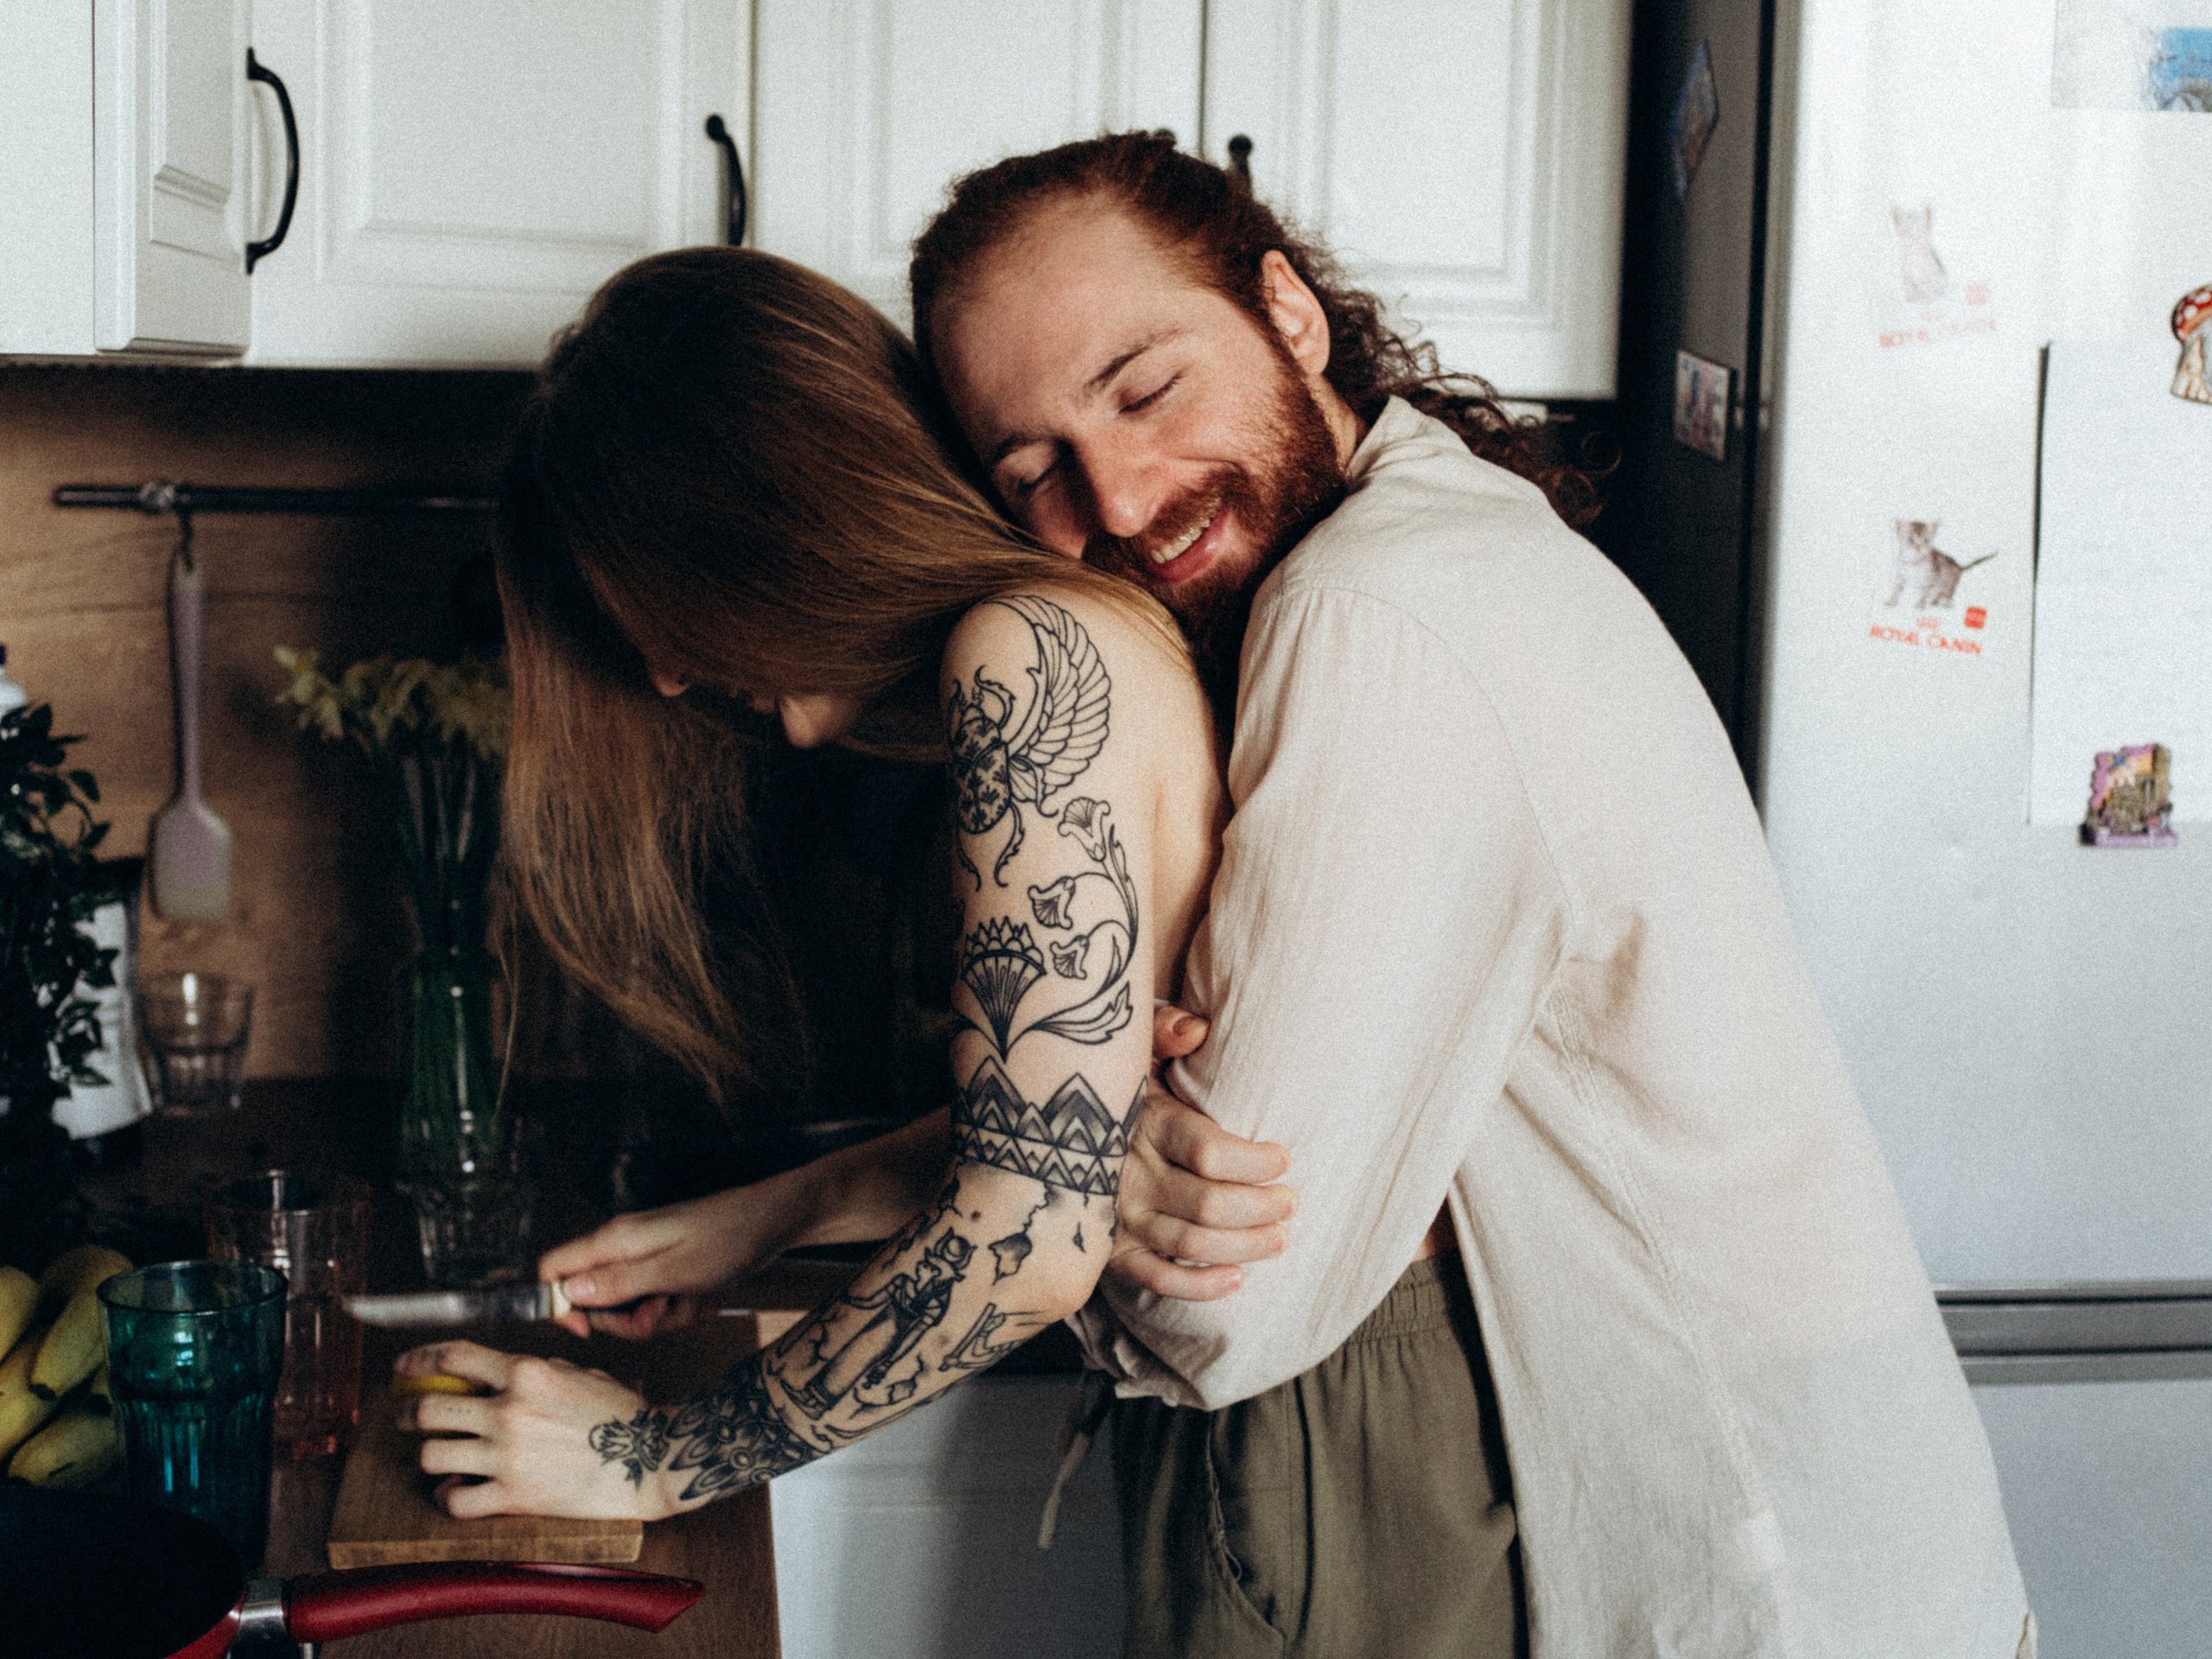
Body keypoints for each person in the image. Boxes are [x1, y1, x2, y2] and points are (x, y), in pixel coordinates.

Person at [896, 132, 2033, 1659]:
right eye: (1029, 467)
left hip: (1770, 1586)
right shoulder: (1446, 533)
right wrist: (1095, 1141)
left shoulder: (1375, 613)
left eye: (1144, 387)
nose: (1114, 495)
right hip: (1863, 1549)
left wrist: (1075, 1169)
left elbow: (1220, 1311)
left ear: (1286, 314)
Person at [390, 245, 1274, 1522]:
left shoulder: (1026, 655)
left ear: (766, 522)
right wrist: (773, 1214)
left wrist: (642, 1462)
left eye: (662, 600)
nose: (669, 677)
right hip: (1230, 1416)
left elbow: (1023, 1241)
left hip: (1289, 1433)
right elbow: (1059, 1141)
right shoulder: (1076, 626)